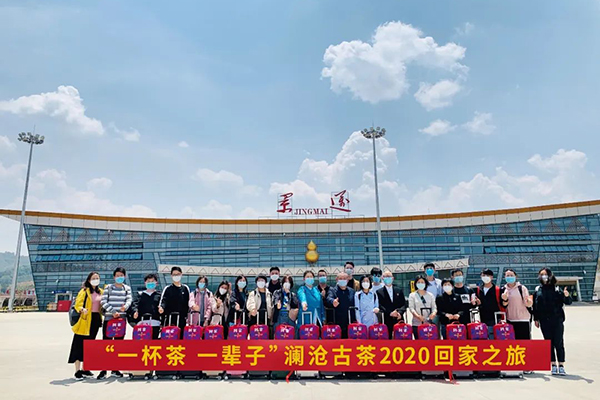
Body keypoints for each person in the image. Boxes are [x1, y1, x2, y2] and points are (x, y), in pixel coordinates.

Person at [533, 267, 572, 376]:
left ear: (550, 276)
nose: (543, 276)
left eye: (545, 274)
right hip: (544, 321)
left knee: (558, 342)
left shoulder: (557, 289)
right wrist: (536, 318)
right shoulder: (538, 289)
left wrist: (567, 296)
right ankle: (553, 365)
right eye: (541, 274)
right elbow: (535, 306)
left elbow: (568, 302)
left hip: (557, 320)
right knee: (548, 343)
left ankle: (561, 365)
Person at [98, 267, 132, 379]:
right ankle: (103, 370)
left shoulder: (127, 288)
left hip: (121, 320)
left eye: (121, 275)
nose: (119, 277)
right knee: (106, 344)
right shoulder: (108, 287)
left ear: (124, 276)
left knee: (118, 345)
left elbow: (129, 300)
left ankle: (115, 369)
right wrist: (113, 311)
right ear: (114, 277)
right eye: (117, 276)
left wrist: (125, 307)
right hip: (109, 319)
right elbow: (103, 301)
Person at [68, 272, 103, 380]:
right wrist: (81, 309)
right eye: (93, 278)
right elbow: (78, 304)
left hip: (95, 320)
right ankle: (77, 371)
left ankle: (85, 368)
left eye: (97, 278)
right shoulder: (84, 291)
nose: (95, 280)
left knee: (89, 345)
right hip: (85, 319)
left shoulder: (101, 292)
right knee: (79, 344)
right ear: (89, 280)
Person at [159, 266, 191, 339]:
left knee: (181, 339)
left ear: (181, 274)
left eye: (178, 274)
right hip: (170, 319)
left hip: (182, 319)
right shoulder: (168, 288)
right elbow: (163, 301)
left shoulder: (185, 288)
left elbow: (188, 302)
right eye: (174, 274)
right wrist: (161, 308)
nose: (176, 276)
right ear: (171, 276)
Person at [502, 269, 533, 340]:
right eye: (507, 275)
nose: (509, 277)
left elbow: (528, 303)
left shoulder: (522, 288)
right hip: (510, 320)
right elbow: (504, 304)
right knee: (512, 343)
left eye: (511, 275)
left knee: (524, 342)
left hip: (523, 319)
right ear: (505, 277)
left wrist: (529, 302)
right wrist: (505, 299)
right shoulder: (504, 289)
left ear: (516, 276)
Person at [473, 268, 504, 339]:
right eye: (483, 275)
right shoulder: (478, 290)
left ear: (492, 277)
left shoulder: (497, 290)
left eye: (488, 275)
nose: (485, 277)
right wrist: (477, 303)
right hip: (482, 319)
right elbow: (475, 304)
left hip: (495, 319)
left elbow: (503, 304)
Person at [376, 270, 407, 339]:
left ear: (393, 278)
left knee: (401, 338)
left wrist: (399, 312)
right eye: (385, 276)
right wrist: (390, 313)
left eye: (389, 276)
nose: (387, 278)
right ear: (382, 278)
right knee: (388, 339)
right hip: (387, 319)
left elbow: (404, 304)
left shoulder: (399, 290)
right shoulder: (379, 292)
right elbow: (380, 305)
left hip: (399, 319)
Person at [131, 273, 161, 339]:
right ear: (145, 283)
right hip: (142, 322)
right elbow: (134, 305)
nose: (150, 283)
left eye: (152, 281)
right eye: (148, 281)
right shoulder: (140, 295)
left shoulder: (159, 295)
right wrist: (135, 311)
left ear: (156, 283)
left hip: (155, 322)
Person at [326, 273, 356, 338]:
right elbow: (329, 298)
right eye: (340, 278)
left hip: (350, 322)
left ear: (347, 280)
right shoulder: (332, 290)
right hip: (337, 322)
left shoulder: (352, 291)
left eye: (344, 279)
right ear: (337, 280)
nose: (342, 280)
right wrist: (333, 301)